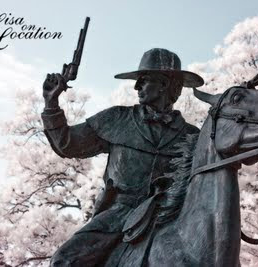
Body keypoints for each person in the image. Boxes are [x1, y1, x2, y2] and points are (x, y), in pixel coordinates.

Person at [41, 48, 204, 266]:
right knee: (65, 260)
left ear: (164, 84)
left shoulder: (192, 136)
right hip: (119, 214)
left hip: (171, 217)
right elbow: (67, 144)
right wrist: (51, 105)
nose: (137, 87)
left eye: (144, 80)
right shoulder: (117, 119)